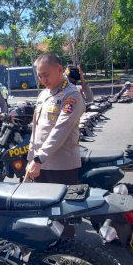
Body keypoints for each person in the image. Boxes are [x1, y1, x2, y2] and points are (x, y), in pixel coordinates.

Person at [25, 53, 85, 185]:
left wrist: (39, 158)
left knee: (62, 205)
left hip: (61, 167)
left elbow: (61, 129)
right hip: (40, 165)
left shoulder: (71, 94)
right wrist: (31, 157)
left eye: (45, 75)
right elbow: (36, 128)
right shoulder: (43, 94)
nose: (43, 80)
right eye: (40, 76)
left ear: (59, 70)